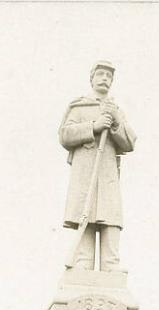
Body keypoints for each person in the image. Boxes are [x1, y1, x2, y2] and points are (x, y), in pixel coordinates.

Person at [59, 60, 136, 273]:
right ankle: (83, 261)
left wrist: (115, 123)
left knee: (109, 214)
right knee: (85, 211)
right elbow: (65, 135)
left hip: (108, 171)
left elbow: (130, 142)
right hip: (85, 171)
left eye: (109, 76)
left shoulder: (116, 110)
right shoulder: (79, 106)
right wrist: (93, 127)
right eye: (100, 74)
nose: (105, 79)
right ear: (92, 78)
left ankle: (110, 263)